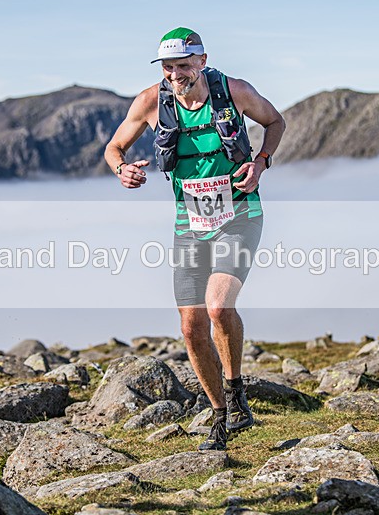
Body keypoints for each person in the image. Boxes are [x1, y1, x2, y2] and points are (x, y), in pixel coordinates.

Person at [104, 27, 285, 450]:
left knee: (219, 307)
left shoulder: (235, 91)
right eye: (168, 67)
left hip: (240, 213)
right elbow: (114, 148)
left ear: (202, 61)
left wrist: (261, 162)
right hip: (190, 222)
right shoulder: (151, 101)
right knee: (190, 327)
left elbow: (274, 121)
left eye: (183, 65)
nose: (175, 74)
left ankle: (237, 390)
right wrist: (122, 170)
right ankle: (220, 416)